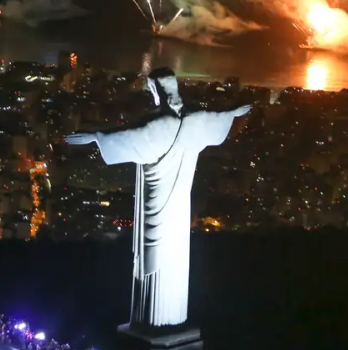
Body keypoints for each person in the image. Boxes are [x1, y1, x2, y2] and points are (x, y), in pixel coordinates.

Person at [65, 68, 250, 329]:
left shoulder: (157, 125)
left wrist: (95, 137)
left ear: (155, 91)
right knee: (174, 257)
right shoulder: (194, 119)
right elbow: (216, 118)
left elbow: (127, 138)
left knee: (153, 257)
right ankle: (169, 320)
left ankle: (152, 322)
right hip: (179, 207)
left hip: (156, 203)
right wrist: (233, 112)